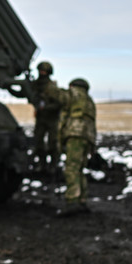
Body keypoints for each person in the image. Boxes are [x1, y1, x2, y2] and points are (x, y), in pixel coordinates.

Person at [55, 77, 96, 217]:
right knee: (79, 169)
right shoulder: (89, 101)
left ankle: (72, 201)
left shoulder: (74, 94)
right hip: (87, 137)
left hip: (75, 135)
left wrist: (49, 85)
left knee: (71, 168)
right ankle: (82, 200)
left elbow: (58, 96)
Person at [30, 61, 62, 175]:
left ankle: (53, 165)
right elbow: (26, 93)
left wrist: (45, 107)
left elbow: (58, 104)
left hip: (52, 119)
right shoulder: (35, 85)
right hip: (40, 119)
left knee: (53, 143)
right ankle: (42, 164)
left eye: (44, 71)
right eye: (40, 71)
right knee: (38, 142)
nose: (42, 73)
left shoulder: (52, 87)